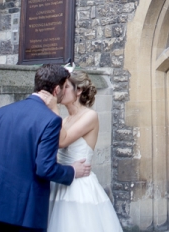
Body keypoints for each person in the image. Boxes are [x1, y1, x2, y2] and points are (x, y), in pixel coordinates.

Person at [0, 64, 92, 232]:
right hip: (26, 210)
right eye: (64, 87)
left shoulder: (4, 111)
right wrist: (72, 171)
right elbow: (45, 169)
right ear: (56, 89)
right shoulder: (51, 120)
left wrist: (10, 167)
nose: (65, 91)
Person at [43, 70, 124, 232]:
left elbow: (62, 141)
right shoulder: (65, 120)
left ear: (78, 90)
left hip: (79, 187)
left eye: (66, 87)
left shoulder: (90, 116)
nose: (60, 91)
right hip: (60, 183)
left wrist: (53, 110)